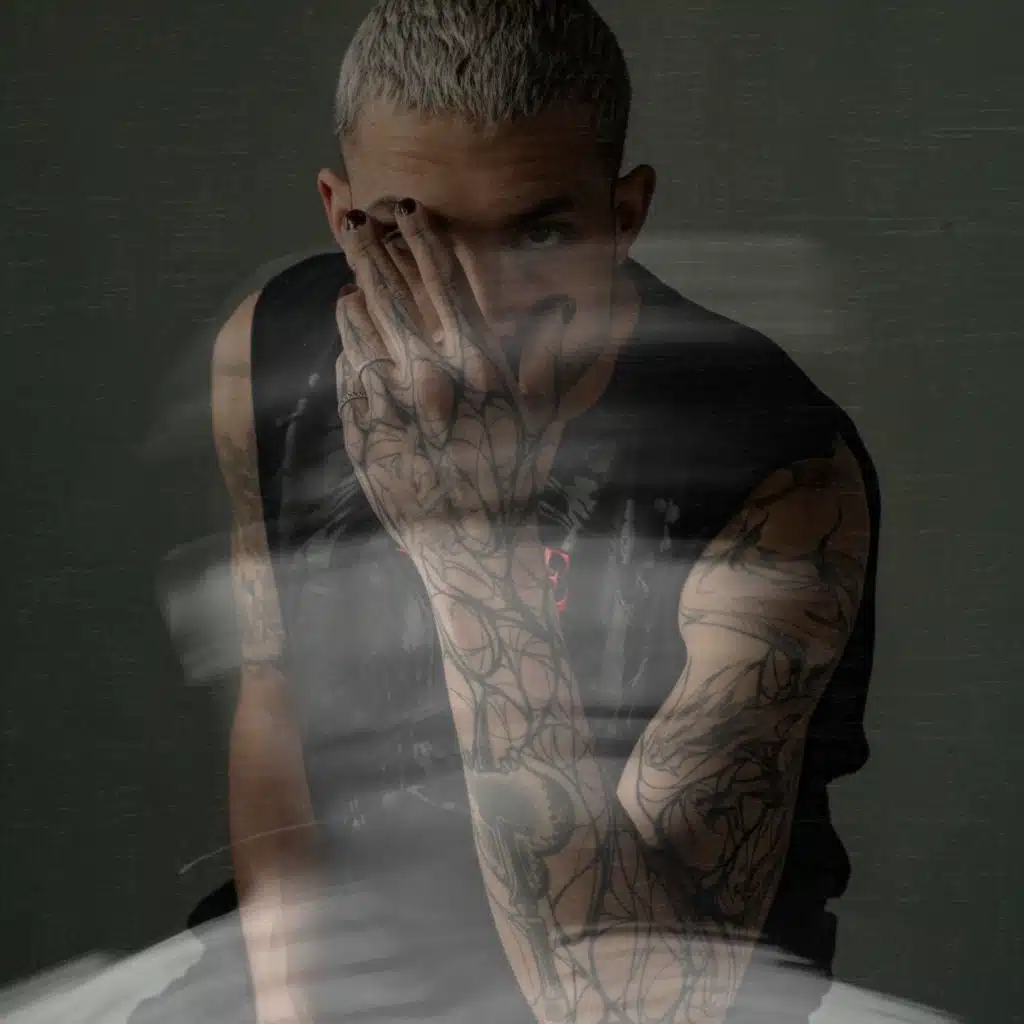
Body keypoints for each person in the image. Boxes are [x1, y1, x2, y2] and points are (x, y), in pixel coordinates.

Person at [209, 1, 880, 1021]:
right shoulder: (270, 349)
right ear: (341, 215)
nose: (478, 303)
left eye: (539, 232)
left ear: (626, 215)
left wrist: (472, 552)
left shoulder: (776, 476)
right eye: (411, 235)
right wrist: (287, 1010)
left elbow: (636, 1005)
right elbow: (275, 707)